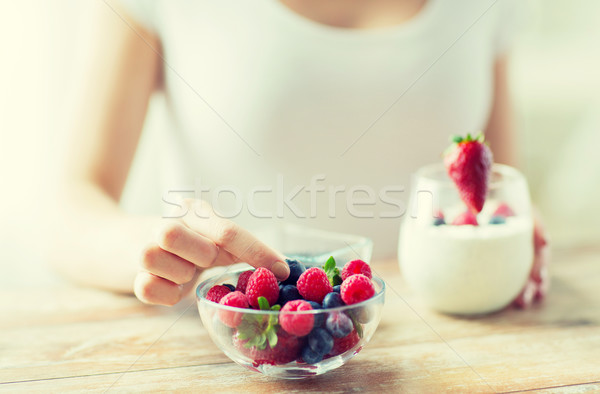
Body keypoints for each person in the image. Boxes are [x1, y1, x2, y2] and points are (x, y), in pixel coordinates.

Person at [49, 0, 548, 307]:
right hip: (238, 335)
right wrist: (145, 246)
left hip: (442, 330)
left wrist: (514, 240)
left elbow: (499, 188)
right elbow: (69, 209)